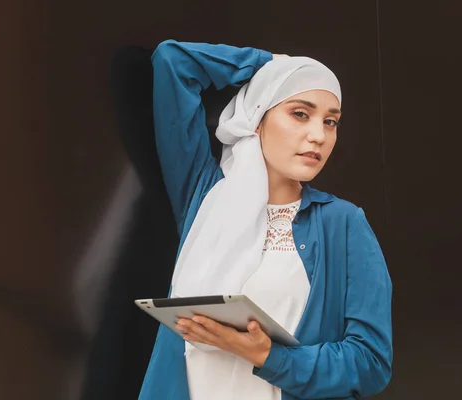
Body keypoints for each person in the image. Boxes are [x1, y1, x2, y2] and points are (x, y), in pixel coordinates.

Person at [139, 39, 393, 400]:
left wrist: (265, 355)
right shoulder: (206, 198)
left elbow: (370, 363)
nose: (318, 135)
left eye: (331, 121)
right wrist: (268, 64)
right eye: (300, 113)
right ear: (257, 119)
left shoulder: (343, 224)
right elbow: (173, 61)